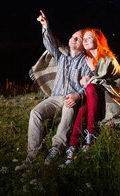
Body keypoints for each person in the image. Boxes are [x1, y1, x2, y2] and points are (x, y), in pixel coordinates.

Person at [15, 11, 92, 170]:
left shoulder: (86, 61)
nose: (73, 39)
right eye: (73, 36)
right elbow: (50, 44)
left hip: (71, 98)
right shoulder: (62, 55)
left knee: (69, 107)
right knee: (35, 113)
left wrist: (78, 95)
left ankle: (57, 147)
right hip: (55, 97)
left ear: (83, 44)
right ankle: (33, 155)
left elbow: (89, 85)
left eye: (78, 38)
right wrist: (45, 26)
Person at [64, 28, 120, 165]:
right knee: (84, 108)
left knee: (90, 87)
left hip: (115, 98)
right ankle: (72, 145)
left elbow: (99, 80)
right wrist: (88, 78)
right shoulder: (92, 59)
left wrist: (89, 76)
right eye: (85, 38)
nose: (85, 40)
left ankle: (92, 132)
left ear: (98, 40)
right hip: (99, 96)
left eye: (89, 37)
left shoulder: (106, 57)